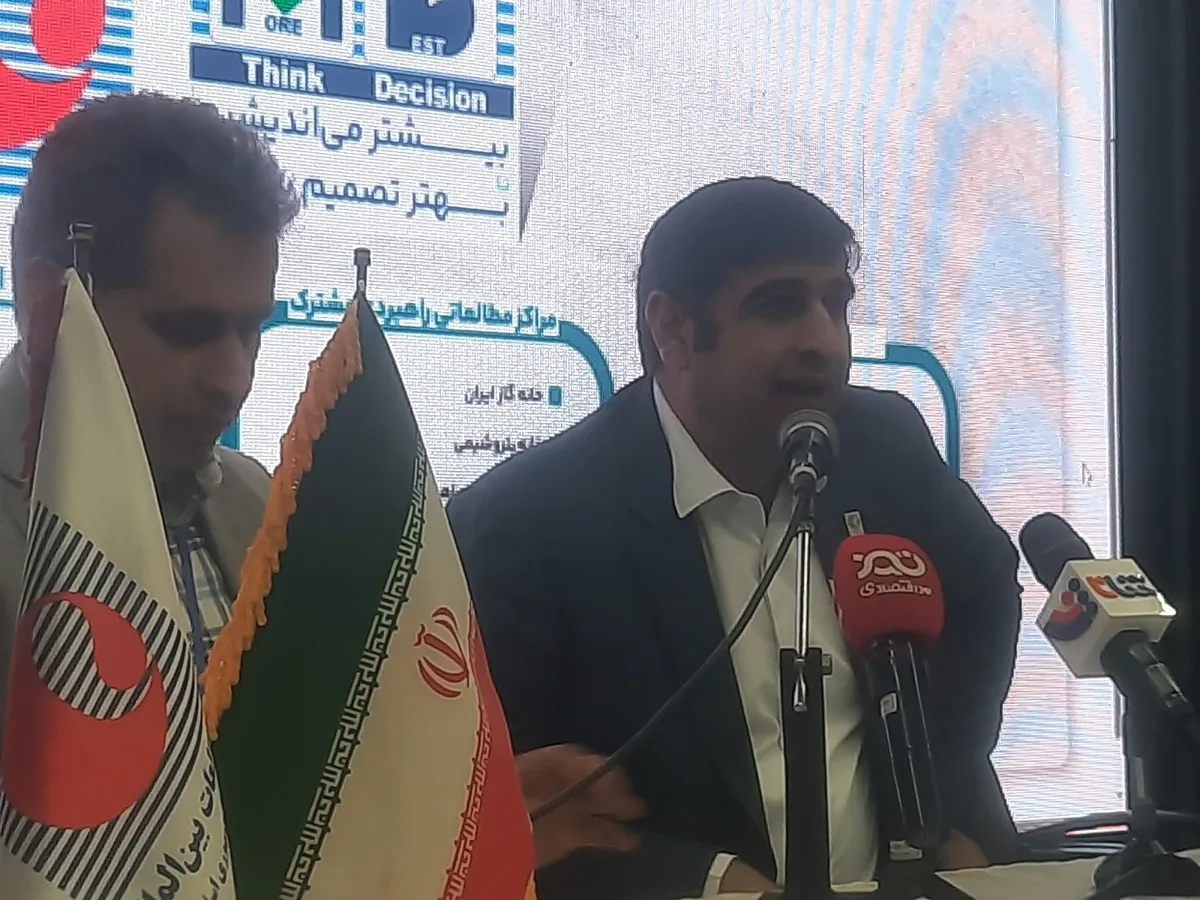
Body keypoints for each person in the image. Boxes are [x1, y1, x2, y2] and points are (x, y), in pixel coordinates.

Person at [448, 177, 1023, 899]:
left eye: (836, 304)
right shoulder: (525, 523)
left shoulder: (883, 442)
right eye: (779, 305)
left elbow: (985, 591)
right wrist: (706, 881)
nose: (823, 340)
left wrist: (945, 804)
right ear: (673, 329)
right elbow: (508, 808)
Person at [0, 93, 300, 746]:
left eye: (251, 331)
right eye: (187, 331)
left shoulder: (259, 504)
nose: (233, 380)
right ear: (50, 306)